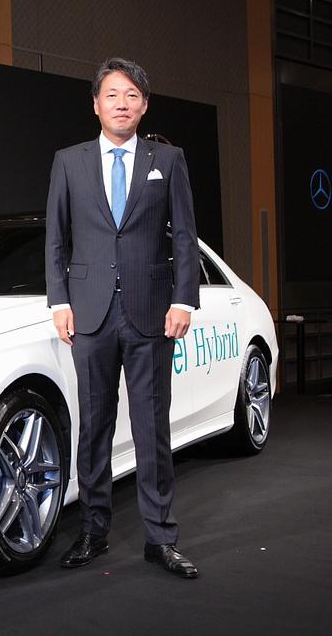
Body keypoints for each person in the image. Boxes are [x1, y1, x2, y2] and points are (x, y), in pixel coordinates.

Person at [45, 57, 201, 578]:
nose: (122, 104)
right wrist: (59, 301)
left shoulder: (168, 159)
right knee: (94, 427)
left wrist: (183, 300)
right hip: (89, 315)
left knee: (152, 427)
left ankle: (161, 538)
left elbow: (184, 235)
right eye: (112, 94)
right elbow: (56, 238)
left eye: (132, 95)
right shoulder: (68, 161)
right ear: (96, 104)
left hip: (151, 312)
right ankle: (94, 531)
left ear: (144, 105)